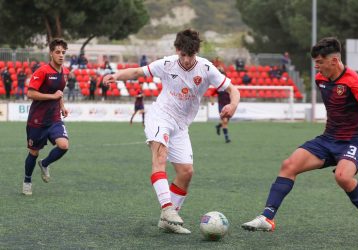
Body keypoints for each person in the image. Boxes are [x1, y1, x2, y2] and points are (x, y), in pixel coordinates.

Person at [241, 37, 358, 248]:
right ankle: (267, 218)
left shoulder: (353, 80)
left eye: (319, 61)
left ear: (335, 61)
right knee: (288, 165)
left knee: (343, 177)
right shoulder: (321, 79)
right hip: (328, 139)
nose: (316, 66)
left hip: (353, 141)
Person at [103, 28, 240, 234]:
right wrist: (116, 75)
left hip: (181, 126)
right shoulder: (166, 64)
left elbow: (233, 90)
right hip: (160, 117)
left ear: (196, 52)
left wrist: (233, 106)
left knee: (186, 172)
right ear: (177, 50)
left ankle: (168, 220)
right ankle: (167, 208)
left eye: (190, 55)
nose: (186, 60)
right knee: (160, 156)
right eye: (183, 55)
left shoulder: (206, 68)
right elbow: (138, 72)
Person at [22, 38, 70, 196]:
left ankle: (45, 163)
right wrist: (52, 97)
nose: (61, 55)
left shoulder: (65, 72)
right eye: (57, 52)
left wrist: (62, 106)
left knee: (64, 145)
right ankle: (27, 181)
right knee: (33, 152)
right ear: (51, 53)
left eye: (63, 52)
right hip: (37, 120)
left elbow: (59, 92)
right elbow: (30, 93)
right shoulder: (42, 71)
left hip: (54, 118)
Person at [212, 68, 232, 143]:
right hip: (221, 106)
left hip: (229, 105)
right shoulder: (218, 87)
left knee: (225, 122)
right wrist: (212, 101)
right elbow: (212, 94)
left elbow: (233, 93)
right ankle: (227, 138)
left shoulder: (229, 86)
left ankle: (218, 126)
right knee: (225, 121)